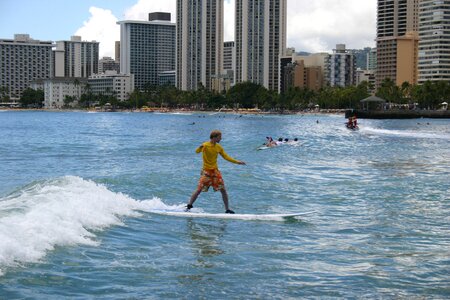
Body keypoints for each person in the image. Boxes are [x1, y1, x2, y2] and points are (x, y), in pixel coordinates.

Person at [186, 130, 246, 214]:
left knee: (223, 190)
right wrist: (200, 146)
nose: (221, 138)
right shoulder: (205, 145)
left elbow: (226, 157)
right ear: (214, 137)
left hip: (215, 172)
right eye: (219, 137)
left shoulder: (218, 147)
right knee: (199, 189)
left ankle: (227, 209)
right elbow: (197, 151)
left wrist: (237, 162)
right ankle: (189, 206)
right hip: (206, 172)